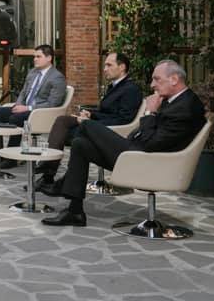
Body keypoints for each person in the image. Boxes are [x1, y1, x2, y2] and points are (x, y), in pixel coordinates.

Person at [42, 59, 206, 227]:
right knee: (80, 145)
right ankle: (75, 212)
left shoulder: (186, 107)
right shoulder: (173, 100)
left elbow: (151, 144)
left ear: (174, 79)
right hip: (138, 154)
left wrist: (150, 113)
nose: (152, 85)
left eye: (157, 79)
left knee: (86, 126)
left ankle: (57, 179)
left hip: (150, 163)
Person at [35, 52, 143, 195]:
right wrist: (91, 114)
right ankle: (48, 171)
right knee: (62, 120)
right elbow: (107, 112)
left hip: (111, 132)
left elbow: (124, 120)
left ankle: (50, 173)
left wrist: (92, 122)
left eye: (109, 65)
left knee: (69, 135)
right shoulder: (114, 86)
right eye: (105, 65)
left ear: (122, 67)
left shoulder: (131, 89)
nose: (105, 69)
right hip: (99, 124)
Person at [0, 45, 67, 169]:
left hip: (39, 113)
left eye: (38, 57)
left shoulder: (57, 77)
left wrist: (28, 108)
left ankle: (11, 158)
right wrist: (19, 104)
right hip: (24, 108)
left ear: (49, 58)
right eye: (34, 57)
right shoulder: (32, 72)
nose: (35, 59)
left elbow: (53, 103)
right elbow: (23, 92)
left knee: (15, 118)